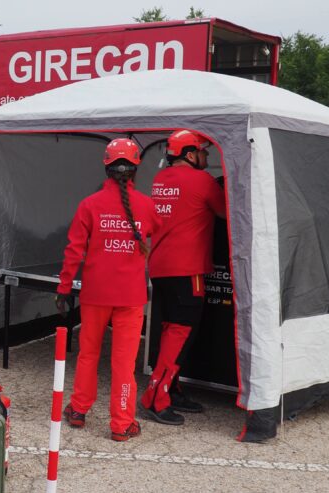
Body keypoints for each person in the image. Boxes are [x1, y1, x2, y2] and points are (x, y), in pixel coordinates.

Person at [59, 138, 160, 442]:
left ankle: (78, 410)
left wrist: (64, 287)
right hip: (130, 296)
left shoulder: (89, 205)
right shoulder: (147, 206)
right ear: (134, 170)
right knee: (124, 363)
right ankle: (122, 423)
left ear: (106, 167)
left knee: (88, 353)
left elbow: (74, 250)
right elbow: (155, 231)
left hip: (95, 294)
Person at [140, 129, 226, 425]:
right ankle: (155, 397)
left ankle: (172, 389)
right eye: (203, 151)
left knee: (170, 330)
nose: (206, 156)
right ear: (190, 154)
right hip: (187, 270)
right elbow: (227, 213)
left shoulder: (159, 179)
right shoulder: (202, 181)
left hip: (161, 267)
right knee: (181, 333)